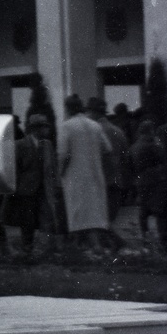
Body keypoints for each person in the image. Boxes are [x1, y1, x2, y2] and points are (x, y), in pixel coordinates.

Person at [58, 94, 112, 250]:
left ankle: (88, 248)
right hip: (95, 175)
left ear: (67, 108)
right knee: (93, 213)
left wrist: (60, 173)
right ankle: (89, 247)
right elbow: (107, 148)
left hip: (75, 176)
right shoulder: (95, 126)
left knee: (78, 212)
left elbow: (63, 154)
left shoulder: (66, 126)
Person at [13, 113, 59, 257]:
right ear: (35, 129)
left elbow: (52, 167)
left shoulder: (48, 145)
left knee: (46, 219)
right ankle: (27, 248)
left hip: (44, 189)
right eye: (44, 127)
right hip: (26, 190)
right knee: (28, 221)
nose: (47, 130)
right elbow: (15, 168)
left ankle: (42, 250)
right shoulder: (20, 145)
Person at [87, 96, 130, 226]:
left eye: (89, 112)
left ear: (94, 113)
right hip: (116, 183)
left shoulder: (92, 132)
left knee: (97, 224)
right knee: (110, 222)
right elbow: (125, 159)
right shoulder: (118, 132)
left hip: (97, 184)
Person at [129, 119, 166, 250]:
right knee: (160, 209)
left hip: (140, 180)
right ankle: (162, 240)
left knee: (143, 211)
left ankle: (145, 238)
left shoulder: (134, 146)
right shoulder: (153, 145)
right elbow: (162, 158)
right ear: (150, 131)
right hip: (155, 179)